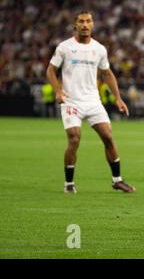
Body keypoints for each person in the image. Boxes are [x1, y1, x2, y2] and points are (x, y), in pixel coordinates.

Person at [46, 11, 135, 194]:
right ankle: (69, 183)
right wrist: (58, 91)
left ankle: (117, 180)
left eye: (88, 21)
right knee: (74, 138)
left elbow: (107, 74)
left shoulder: (99, 49)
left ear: (93, 24)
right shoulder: (65, 47)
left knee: (108, 137)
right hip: (71, 101)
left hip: (93, 101)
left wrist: (118, 97)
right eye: (81, 21)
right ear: (75, 24)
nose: (85, 24)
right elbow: (50, 71)